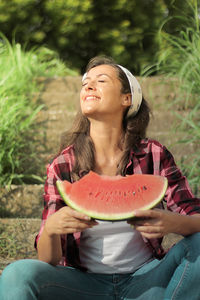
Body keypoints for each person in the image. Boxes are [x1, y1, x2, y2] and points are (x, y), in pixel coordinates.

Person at [0, 55, 200, 300]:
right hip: (82, 285)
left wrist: (173, 223)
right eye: (85, 83)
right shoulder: (63, 165)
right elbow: (47, 259)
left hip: (148, 281)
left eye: (101, 80)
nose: (89, 86)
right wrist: (50, 230)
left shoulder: (153, 154)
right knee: (17, 274)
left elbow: (195, 217)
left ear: (127, 99)